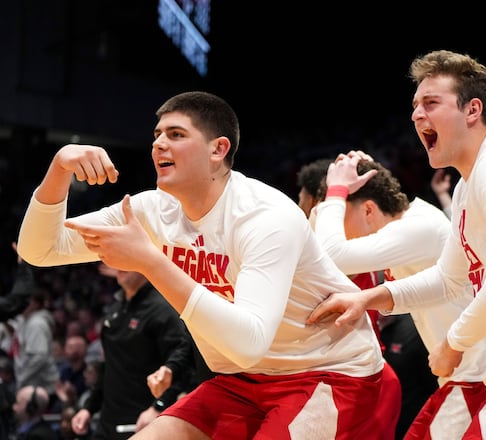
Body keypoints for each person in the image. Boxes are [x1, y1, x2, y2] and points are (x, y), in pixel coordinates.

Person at [17, 90, 384, 439]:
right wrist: (59, 168)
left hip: (329, 372)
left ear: (218, 149)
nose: (159, 143)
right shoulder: (152, 209)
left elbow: (249, 342)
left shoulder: (265, 216)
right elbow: (42, 250)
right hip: (240, 380)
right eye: (157, 135)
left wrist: (149, 260)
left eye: (176, 134)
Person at [308, 50, 486, 439]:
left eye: (431, 103)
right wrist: (366, 298)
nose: (416, 115)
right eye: (415, 105)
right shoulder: (467, 184)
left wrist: (454, 342)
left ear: (472, 110)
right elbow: (448, 278)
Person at [315, 153, 481, 439]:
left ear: (368, 210)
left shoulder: (420, 227)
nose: (338, 233)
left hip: (482, 372)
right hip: (461, 376)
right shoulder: (410, 228)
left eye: (341, 219)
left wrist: (337, 191)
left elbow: (331, 255)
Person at [297, 154, 403, 440]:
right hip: (338, 374)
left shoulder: (338, 248)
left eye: (302, 201)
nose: (299, 209)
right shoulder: (353, 245)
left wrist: (336, 191)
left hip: (355, 377)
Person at [70, 265, 194, 439]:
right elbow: (109, 366)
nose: (120, 266)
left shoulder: (162, 309)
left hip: (142, 420)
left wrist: (157, 407)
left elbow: (182, 362)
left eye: (127, 261)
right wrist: (89, 408)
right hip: (106, 423)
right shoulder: (115, 310)